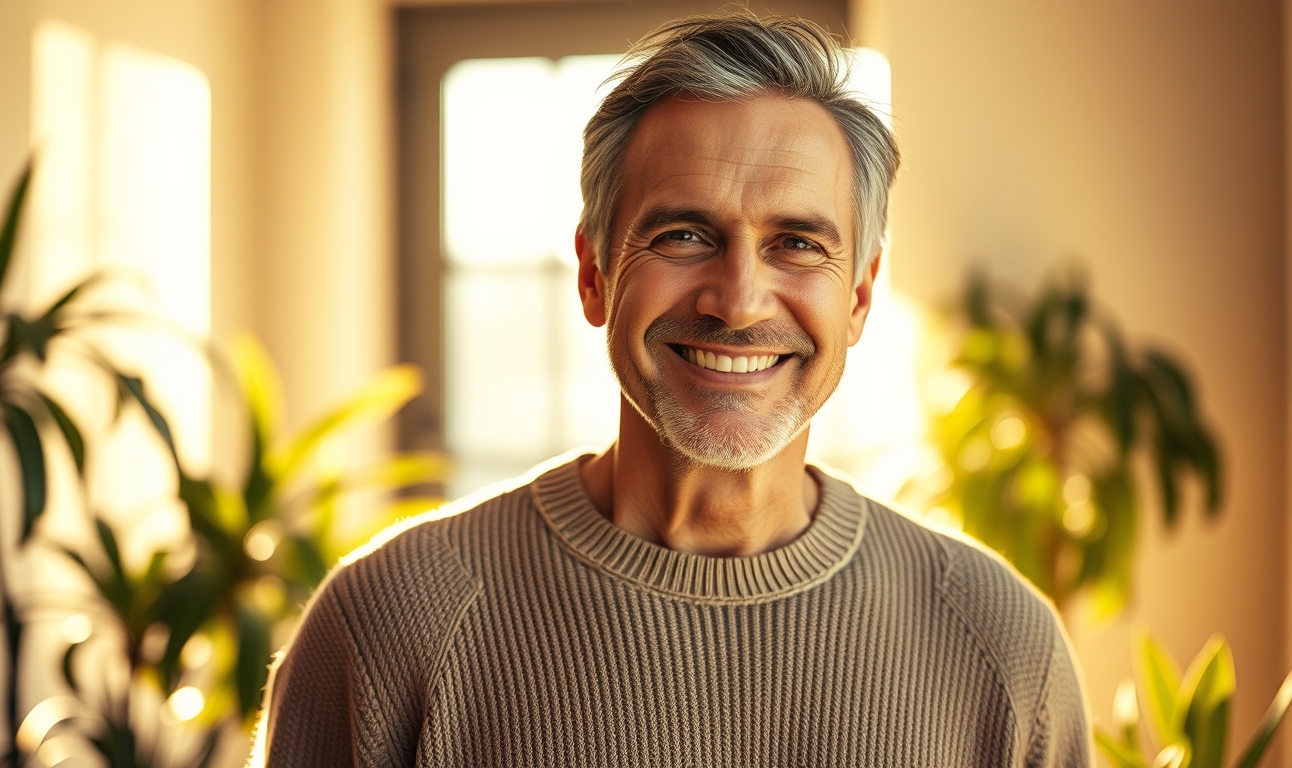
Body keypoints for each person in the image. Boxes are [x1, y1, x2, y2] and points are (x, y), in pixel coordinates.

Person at [256, 13, 1092, 767]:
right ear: (594, 273)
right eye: (684, 234)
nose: (737, 300)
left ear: (861, 298)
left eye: (797, 243)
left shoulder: (1001, 643)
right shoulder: (389, 623)